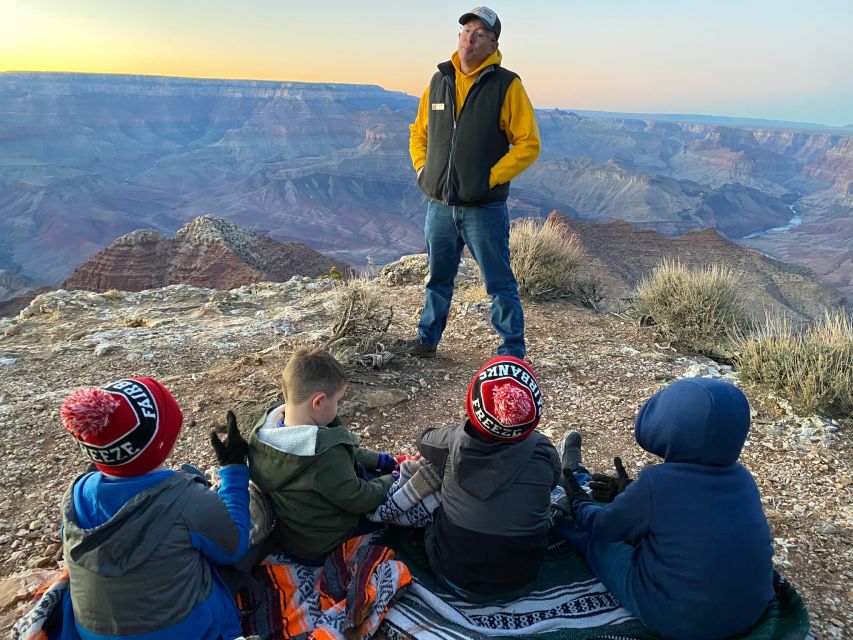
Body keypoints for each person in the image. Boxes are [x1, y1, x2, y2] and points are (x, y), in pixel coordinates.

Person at [558, 378, 775, 640]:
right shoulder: (744, 479)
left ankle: (561, 514)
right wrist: (628, 492)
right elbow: (690, 513)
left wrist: (580, 502)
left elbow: (604, 529)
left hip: (678, 620)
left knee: (602, 544)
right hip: (750, 612)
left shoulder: (657, 483)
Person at [58, 378, 251, 640]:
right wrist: (234, 468)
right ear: (160, 442)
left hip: (91, 633)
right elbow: (234, 547)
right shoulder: (186, 498)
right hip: (182, 631)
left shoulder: (76, 493)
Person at [408, 6, 541, 359]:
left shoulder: (506, 85)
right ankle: (427, 338)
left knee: (498, 282)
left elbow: (529, 144)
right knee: (437, 278)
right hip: (439, 206)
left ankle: (512, 349)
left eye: (479, 33)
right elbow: (417, 133)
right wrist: (423, 169)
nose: (470, 37)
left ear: (493, 43)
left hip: (483, 208)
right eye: (466, 30)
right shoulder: (440, 80)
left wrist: (490, 178)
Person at [416, 356, 560, 600]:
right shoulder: (543, 450)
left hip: (452, 577)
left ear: (474, 406)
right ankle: (574, 465)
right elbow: (553, 484)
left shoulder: (455, 440)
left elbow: (423, 440)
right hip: (521, 580)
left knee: (435, 483)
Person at [247, 347, 398, 563]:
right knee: (393, 514)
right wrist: (389, 481)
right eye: (338, 402)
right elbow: (359, 498)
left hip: (295, 534)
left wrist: (375, 459)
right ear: (317, 402)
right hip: (324, 542)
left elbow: (339, 452)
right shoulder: (324, 456)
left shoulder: (265, 436)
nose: (338, 408)